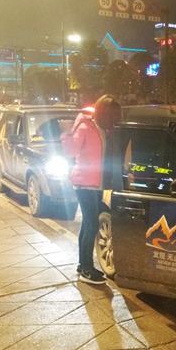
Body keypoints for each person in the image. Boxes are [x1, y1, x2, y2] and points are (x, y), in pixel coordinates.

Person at [61, 95, 122, 285]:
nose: (115, 120)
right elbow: (70, 151)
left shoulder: (106, 130)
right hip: (84, 183)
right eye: (113, 116)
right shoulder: (85, 127)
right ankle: (87, 269)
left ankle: (83, 265)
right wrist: (66, 133)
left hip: (98, 184)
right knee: (92, 224)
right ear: (105, 113)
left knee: (87, 224)